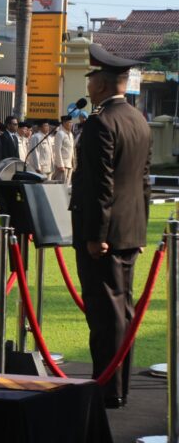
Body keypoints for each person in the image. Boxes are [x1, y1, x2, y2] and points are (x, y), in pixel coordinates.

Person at [70, 43, 150, 409]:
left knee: (105, 314)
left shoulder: (102, 122)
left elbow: (99, 185)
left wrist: (96, 236)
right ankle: (116, 385)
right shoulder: (137, 118)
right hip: (129, 230)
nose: (87, 85)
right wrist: (141, 230)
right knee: (123, 310)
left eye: (90, 79)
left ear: (100, 84)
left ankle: (107, 386)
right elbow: (143, 181)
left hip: (105, 237)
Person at [53, 114, 76, 186]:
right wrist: (60, 165)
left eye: (71, 122)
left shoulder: (70, 134)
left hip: (70, 164)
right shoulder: (60, 133)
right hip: (63, 165)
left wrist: (73, 163)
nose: (71, 124)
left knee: (67, 185)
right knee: (61, 186)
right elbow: (57, 150)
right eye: (69, 122)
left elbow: (72, 150)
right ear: (64, 123)